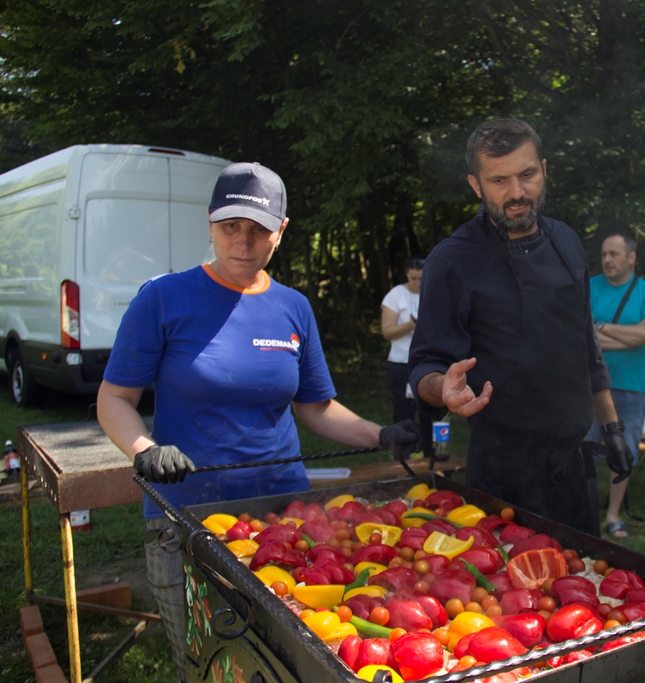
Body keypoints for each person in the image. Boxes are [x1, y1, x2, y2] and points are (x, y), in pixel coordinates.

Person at [96, 162, 421, 682]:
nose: (243, 242)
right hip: (188, 520)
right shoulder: (162, 299)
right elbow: (114, 397)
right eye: (230, 227)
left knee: (293, 662)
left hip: (284, 517)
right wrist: (143, 448)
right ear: (209, 224)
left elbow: (316, 407)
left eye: (258, 230)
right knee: (209, 666)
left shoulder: (293, 307)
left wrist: (380, 435)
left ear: (281, 231)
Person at [408, 118, 633, 537]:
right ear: (476, 185)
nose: (517, 193)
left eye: (527, 175)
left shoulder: (566, 241)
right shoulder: (453, 259)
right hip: (501, 477)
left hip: (573, 467)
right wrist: (443, 389)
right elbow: (423, 365)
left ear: (544, 169)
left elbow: (587, 347)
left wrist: (612, 428)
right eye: (499, 180)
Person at [586, 230, 645, 538]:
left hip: (629, 388)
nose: (607, 260)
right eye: (604, 254)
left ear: (631, 257)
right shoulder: (590, 287)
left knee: (625, 452)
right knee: (585, 450)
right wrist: (629, 333)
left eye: (614, 254)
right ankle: (586, 509)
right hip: (589, 388)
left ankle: (613, 516)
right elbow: (581, 334)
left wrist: (600, 329)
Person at [380, 258, 438, 461]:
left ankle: (430, 455)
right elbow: (387, 331)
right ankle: (402, 458)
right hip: (402, 363)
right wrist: (410, 325)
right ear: (407, 275)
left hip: (429, 361)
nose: (417, 283)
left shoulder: (434, 291)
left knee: (431, 411)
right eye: (413, 278)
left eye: (421, 278)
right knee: (404, 412)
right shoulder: (396, 295)